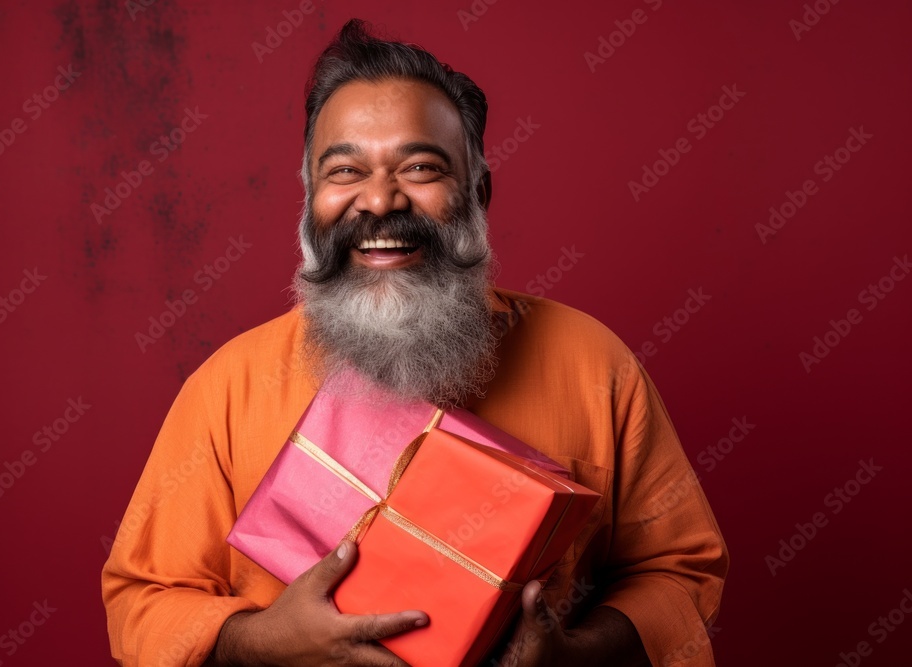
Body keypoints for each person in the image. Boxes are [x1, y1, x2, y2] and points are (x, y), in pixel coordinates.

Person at [102, 18, 729, 667]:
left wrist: (573, 653)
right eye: (345, 171)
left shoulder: (595, 364)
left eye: (420, 167)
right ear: (312, 199)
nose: (378, 199)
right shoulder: (227, 387)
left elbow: (678, 570)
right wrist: (260, 642)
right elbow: (140, 599)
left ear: (478, 192)